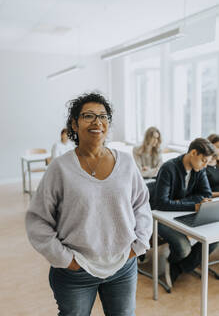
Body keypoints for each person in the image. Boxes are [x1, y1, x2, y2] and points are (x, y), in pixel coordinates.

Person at [25, 92, 153, 316]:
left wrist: (139, 244)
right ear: (74, 124)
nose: (97, 122)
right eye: (88, 116)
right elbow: (37, 220)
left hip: (122, 265)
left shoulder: (126, 162)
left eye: (103, 116)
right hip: (76, 271)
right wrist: (66, 259)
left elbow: (141, 205)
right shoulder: (60, 168)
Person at [153, 137, 219, 288]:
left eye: (207, 162)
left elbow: (206, 194)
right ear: (193, 153)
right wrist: (193, 205)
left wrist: (179, 202)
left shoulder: (199, 170)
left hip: (181, 213)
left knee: (213, 241)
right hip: (161, 217)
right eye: (203, 160)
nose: (204, 166)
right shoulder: (168, 168)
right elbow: (162, 203)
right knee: (184, 248)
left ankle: (178, 267)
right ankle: (174, 261)